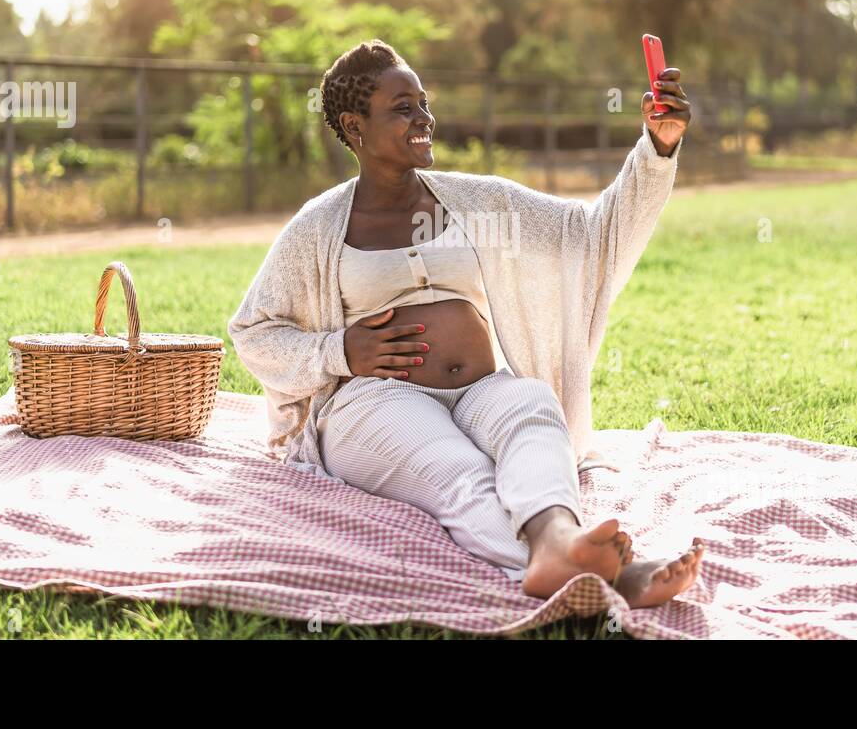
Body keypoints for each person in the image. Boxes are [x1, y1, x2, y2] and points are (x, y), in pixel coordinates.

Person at [228, 39, 704, 607]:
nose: (424, 118)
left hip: (481, 388)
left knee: (533, 409)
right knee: (460, 470)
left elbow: (595, 235)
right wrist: (340, 351)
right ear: (354, 126)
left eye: (424, 103)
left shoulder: (478, 203)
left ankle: (560, 542)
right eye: (403, 108)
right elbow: (254, 332)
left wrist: (658, 145)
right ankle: (602, 575)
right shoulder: (319, 227)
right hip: (375, 403)